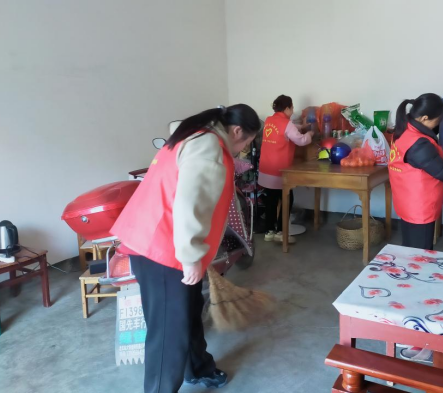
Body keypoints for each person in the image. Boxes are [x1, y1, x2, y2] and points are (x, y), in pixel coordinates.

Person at [111, 104, 261, 393]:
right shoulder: (208, 146)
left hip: (163, 241)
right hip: (161, 249)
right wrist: (191, 257)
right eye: (246, 143)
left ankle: (197, 367)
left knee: (189, 310)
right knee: (168, 331)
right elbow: (190, 204)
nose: (243, 150)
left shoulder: (194, 135)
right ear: (237, 131)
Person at [388, 93, 443, 250]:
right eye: (438, 120)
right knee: (420, 252)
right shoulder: (419, 145)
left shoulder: (404, 128)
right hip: (420, 206)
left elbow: (429, 131)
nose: (438, 124)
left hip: (406, 200)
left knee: (409, 247)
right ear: (425, 118)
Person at [259, 95, 313, 243]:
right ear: (287, 108)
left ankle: (269, 232)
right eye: (292, 107)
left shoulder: (269, 120)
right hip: (279, 170)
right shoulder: (286, 124)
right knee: (287, 198)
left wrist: (301, 127)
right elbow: (300, 140)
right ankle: (281, 232)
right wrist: (309, 134)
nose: (293, 110)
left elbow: (284, 130)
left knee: (271, 200)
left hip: (266, 168)